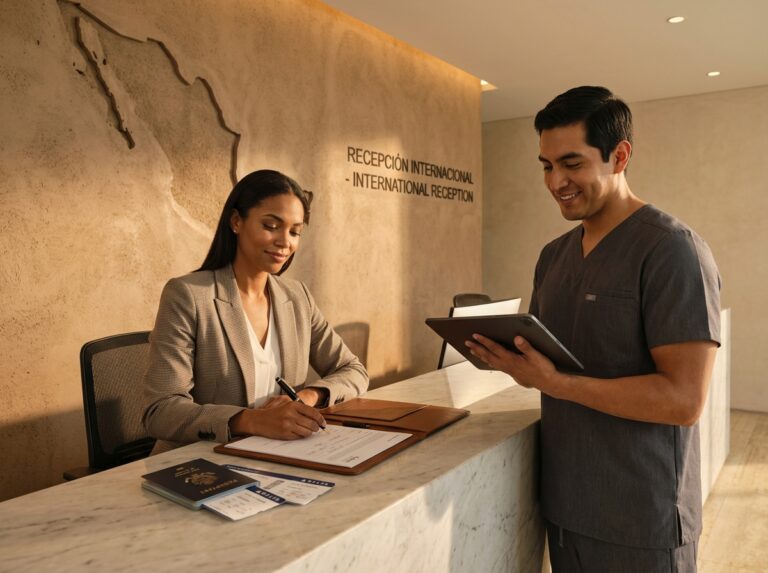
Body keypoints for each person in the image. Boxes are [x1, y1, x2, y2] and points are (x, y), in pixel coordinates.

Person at [467, 87, 720, 572]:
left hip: (641, 519)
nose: (556, 181)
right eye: (546, 165)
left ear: (619, 156)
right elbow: (555, 360)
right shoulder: (553, 256)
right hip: (565, 511)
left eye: (572, 163)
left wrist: (554, 383)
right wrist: (518, 365)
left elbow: (684, 401)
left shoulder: (672, 251)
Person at [143, 169, 368, 454]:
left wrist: (308, 397)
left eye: (295, 231)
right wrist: (253, 421)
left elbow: (353, 370)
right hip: (201, 463)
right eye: (271, 226)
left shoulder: (297, 297)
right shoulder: (188, 295)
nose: (285, 242)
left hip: (278, 457)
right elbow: (160, 410)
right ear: (236, 221)